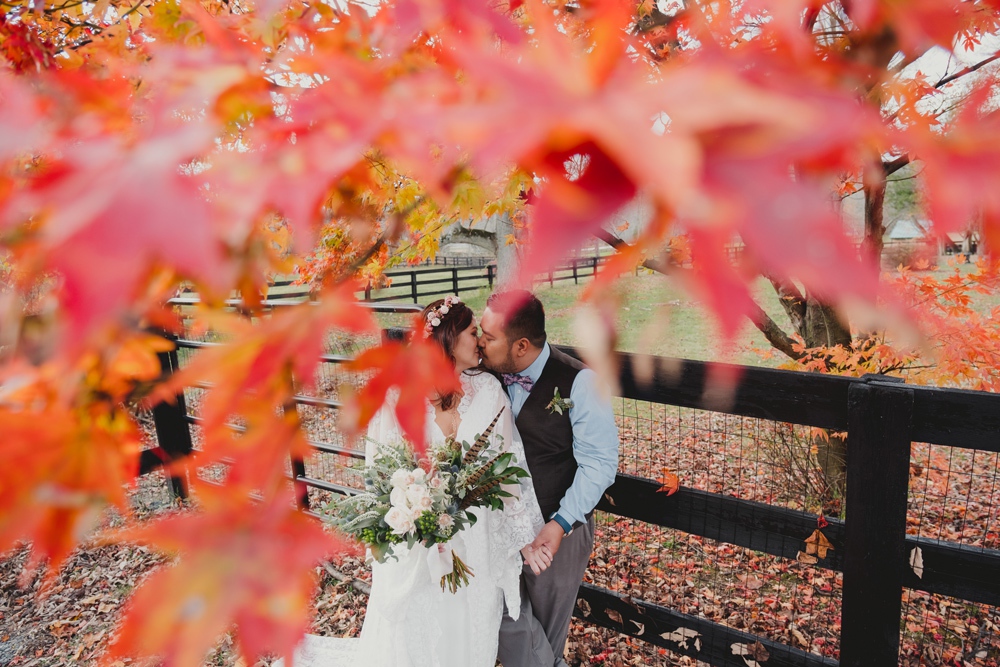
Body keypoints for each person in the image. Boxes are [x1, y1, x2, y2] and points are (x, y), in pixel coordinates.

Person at [286, 296, 548, 667]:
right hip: (418, 540)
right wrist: (417, 510)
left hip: (475, 539)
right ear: (449, 340)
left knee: (468, 627)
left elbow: (507, 468)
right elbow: (381, 474)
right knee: (423, 628)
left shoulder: (489, 391)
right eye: (473, 333)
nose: (480, 342)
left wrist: (524, 538)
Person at [479, 290, 620, 667]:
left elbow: (600, 465)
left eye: (488, 337)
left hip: (556, 529)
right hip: (498, 525)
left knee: (545, 626)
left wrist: (559, 524)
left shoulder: (581, 383)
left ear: (521, 346)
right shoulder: (483, 374)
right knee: (503, 616)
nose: (479, 342)